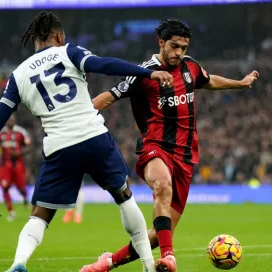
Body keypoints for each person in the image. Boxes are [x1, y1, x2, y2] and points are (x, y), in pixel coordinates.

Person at [0, 11, 173, 272]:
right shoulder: (69, 52)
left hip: (60, 147)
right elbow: (104, 64)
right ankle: (147, 264)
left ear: (35, 41)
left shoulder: (18, 76)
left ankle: (18, 263)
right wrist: (146, 73)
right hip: (94, 137)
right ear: (59, 36)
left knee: (40, 214)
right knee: (123, 196)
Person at [82, 19, 259, 272]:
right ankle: (170, 258)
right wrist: (76, 118)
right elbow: (109, 97)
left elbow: (209, 81)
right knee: (161, 185)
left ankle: (107, 263)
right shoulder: (144, 73)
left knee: (158, 232)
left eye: (184, 48)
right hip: (155, 146)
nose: (179, 53)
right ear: (161, 43)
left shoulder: (190, 67)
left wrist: (239, 83)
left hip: (185, 156)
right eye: (174, 47)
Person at [0, 114, 33, 221]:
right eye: (8, 119)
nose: (10, 121)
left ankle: (24, 198)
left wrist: (19, 152)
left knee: (21, 188)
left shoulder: (21, 132)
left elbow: (30, 146)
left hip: (17, 164)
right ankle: (11, 212)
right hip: (4, 165)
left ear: (15, 120)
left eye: (12, 119)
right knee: (5, 187)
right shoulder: (1, 133)